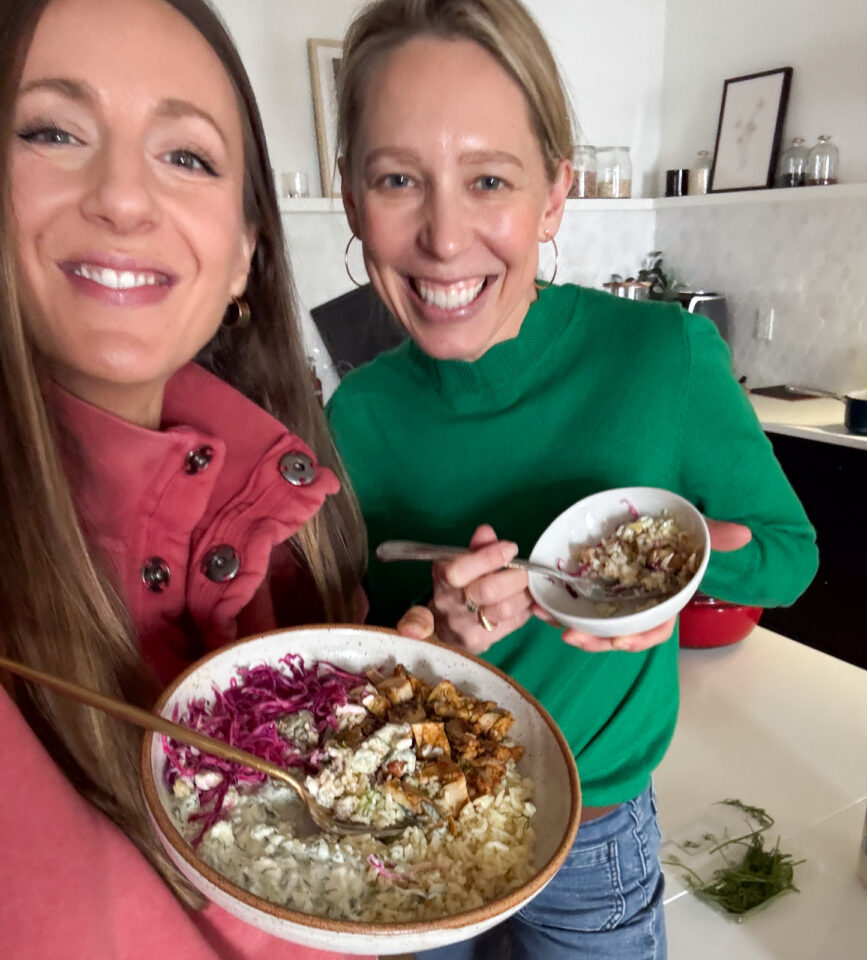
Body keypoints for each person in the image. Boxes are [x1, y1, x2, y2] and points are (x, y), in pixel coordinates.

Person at [325, 1, 819, 957]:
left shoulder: (663, 356)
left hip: (597, 832)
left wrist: (673, 575)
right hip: (415, 823)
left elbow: (788, 557)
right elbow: (363, 656)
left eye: (489, 179)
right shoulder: (355, 419)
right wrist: (428, 634)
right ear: (352, 198)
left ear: (554, 194)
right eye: (397, 179)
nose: (444, 234)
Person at [0, 0, 432, 957]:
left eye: (186, 156)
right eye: (50, 131)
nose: (121, 197)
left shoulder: (295, 503)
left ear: (245, 252)